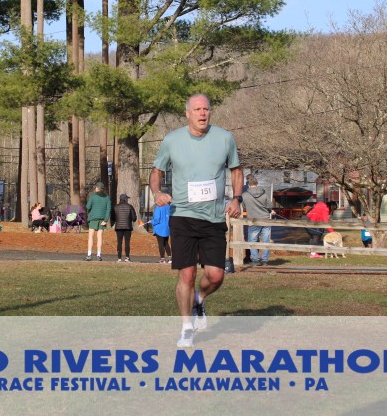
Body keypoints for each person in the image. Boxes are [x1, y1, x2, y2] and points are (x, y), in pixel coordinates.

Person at [150, 93, 243, 348]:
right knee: (188, 273)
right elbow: (156, 172)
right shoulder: (172, 140)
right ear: (187, 113)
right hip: (182, 216)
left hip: (213, 218)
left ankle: (199, 301)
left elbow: (236, 170)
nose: (202, 113)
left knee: (216, 276)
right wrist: (157, 193)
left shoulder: (224, 138)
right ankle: (186, 328)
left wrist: (237, 199)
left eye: (206, 109)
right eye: (197, 109)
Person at [242, 174, 272, 266]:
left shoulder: (245, 195)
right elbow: (270, 206)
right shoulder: (264, 194)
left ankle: (255, 259)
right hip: (265, 219)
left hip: (253, 220)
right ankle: (264, 260)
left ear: (248, 184)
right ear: (257, 184)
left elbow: (244, 207)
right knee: (266, 241)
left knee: (252, 241)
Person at [85, 181, 111, 261]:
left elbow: (88, 207)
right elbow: (108, 209)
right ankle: (99, 255)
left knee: (91, 236)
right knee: (99, 237)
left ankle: (89, 254)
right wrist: (105, 220)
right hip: (102, 219)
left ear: (97, 188)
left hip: (93, 218)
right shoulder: (107, 198)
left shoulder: (93, 196)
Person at [112, 194, 138, 262]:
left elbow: (113, 217)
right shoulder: (130, 206)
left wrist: (117, 220)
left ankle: (119, 258)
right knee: (127, 242)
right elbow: (134, 218)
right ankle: (127, 257)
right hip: (127, 227)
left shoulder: (116, 207)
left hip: (118, 227)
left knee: (119, 242)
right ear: (125, 199)